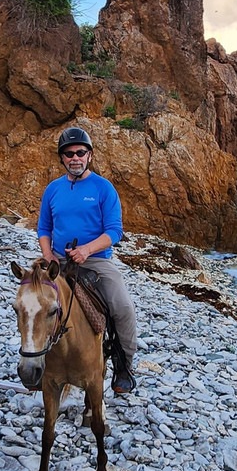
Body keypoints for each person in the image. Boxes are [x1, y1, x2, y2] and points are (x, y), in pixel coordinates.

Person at [37, 126, 138, 393]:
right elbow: (44, 229)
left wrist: (86, 250)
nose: (75, 158)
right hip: (57, 259)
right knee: (32, 304)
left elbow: (115, 231)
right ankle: (35, 362)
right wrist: (48, 257)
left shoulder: (104, 189)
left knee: (123, 308)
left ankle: (123, 365)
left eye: (80, 152)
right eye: (68, 154)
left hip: (95, 261)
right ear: (62, 158)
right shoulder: (53, 189)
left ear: (89, 155)